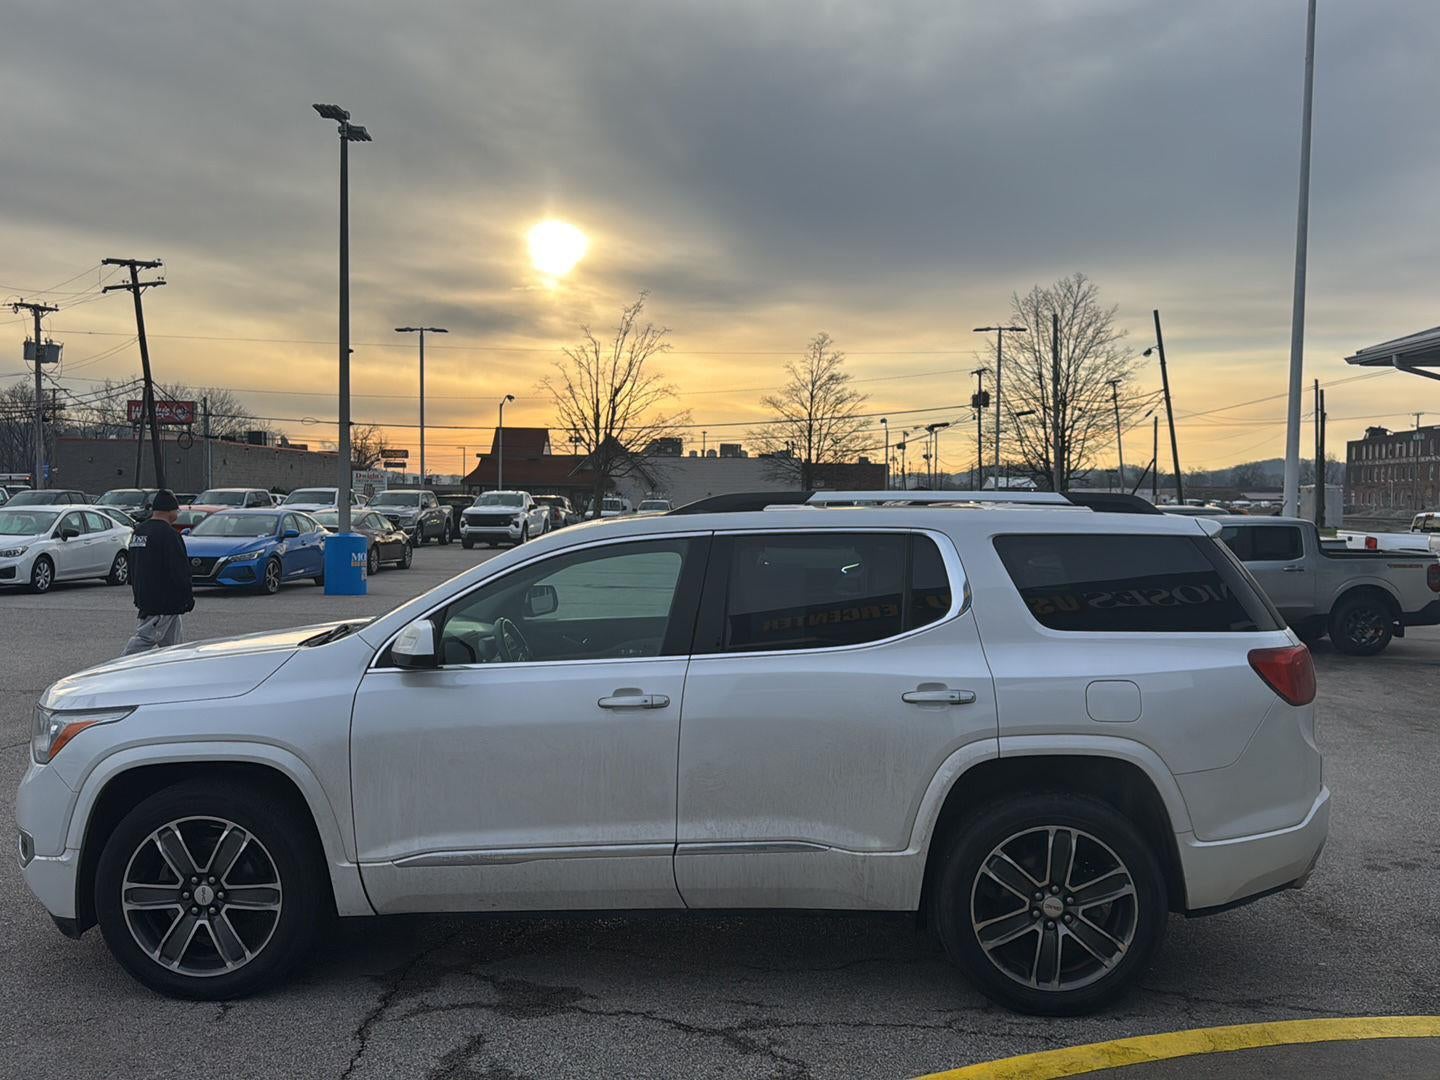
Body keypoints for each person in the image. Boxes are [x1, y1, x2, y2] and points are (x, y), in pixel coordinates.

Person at [122, 489, 194, 655]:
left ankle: (176, 665)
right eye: (176, 510)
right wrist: (187, 598)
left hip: (146, 598)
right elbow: (179, 570)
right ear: (169, 511)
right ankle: (120, 666)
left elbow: (132, 564)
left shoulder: (139, 532)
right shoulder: (169, 535)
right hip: (163, 602)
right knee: (145, 638)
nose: (177, 514)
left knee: (173, 646)